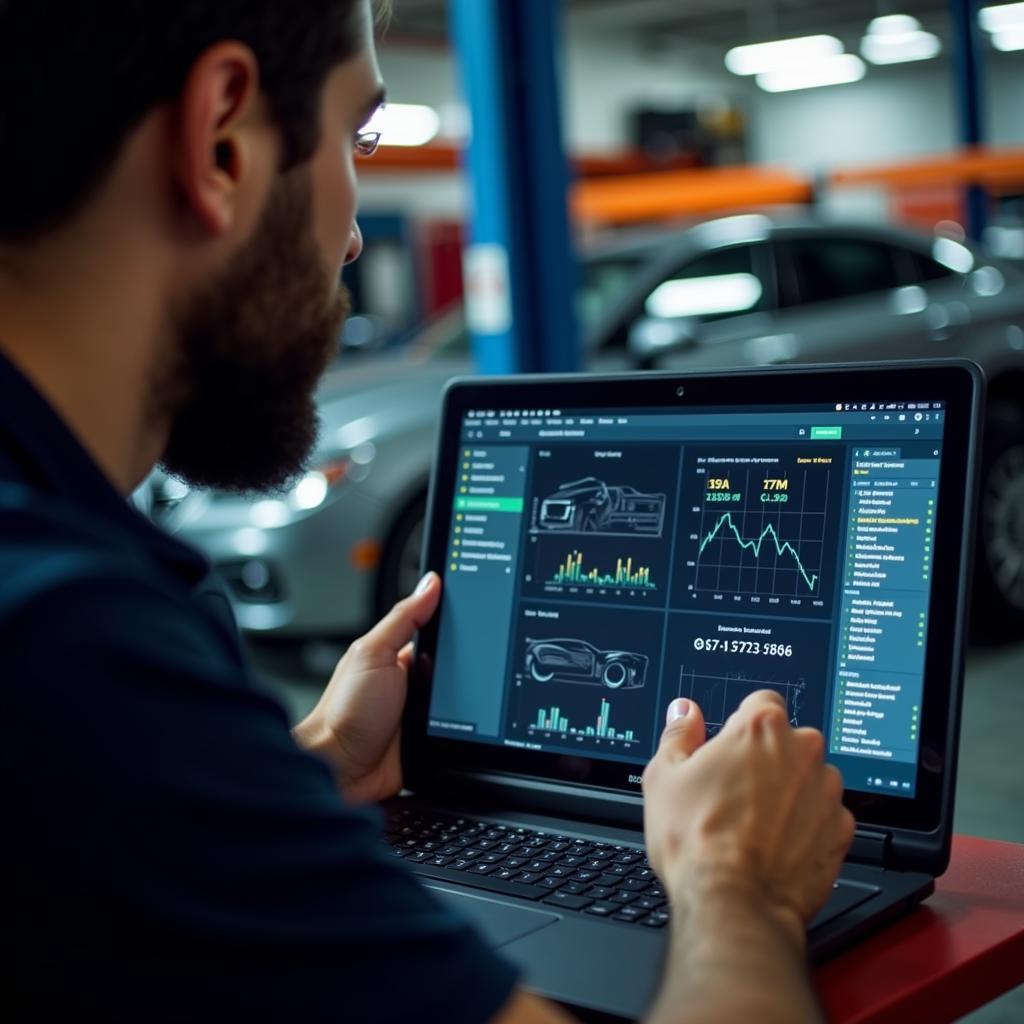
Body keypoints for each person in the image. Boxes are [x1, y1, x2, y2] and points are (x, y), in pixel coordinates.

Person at [0, 1, 855, 1020]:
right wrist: (736, 886)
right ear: (222, 138)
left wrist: (308, 764)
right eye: (357, 137)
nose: (355, 235)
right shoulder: (66, 654)